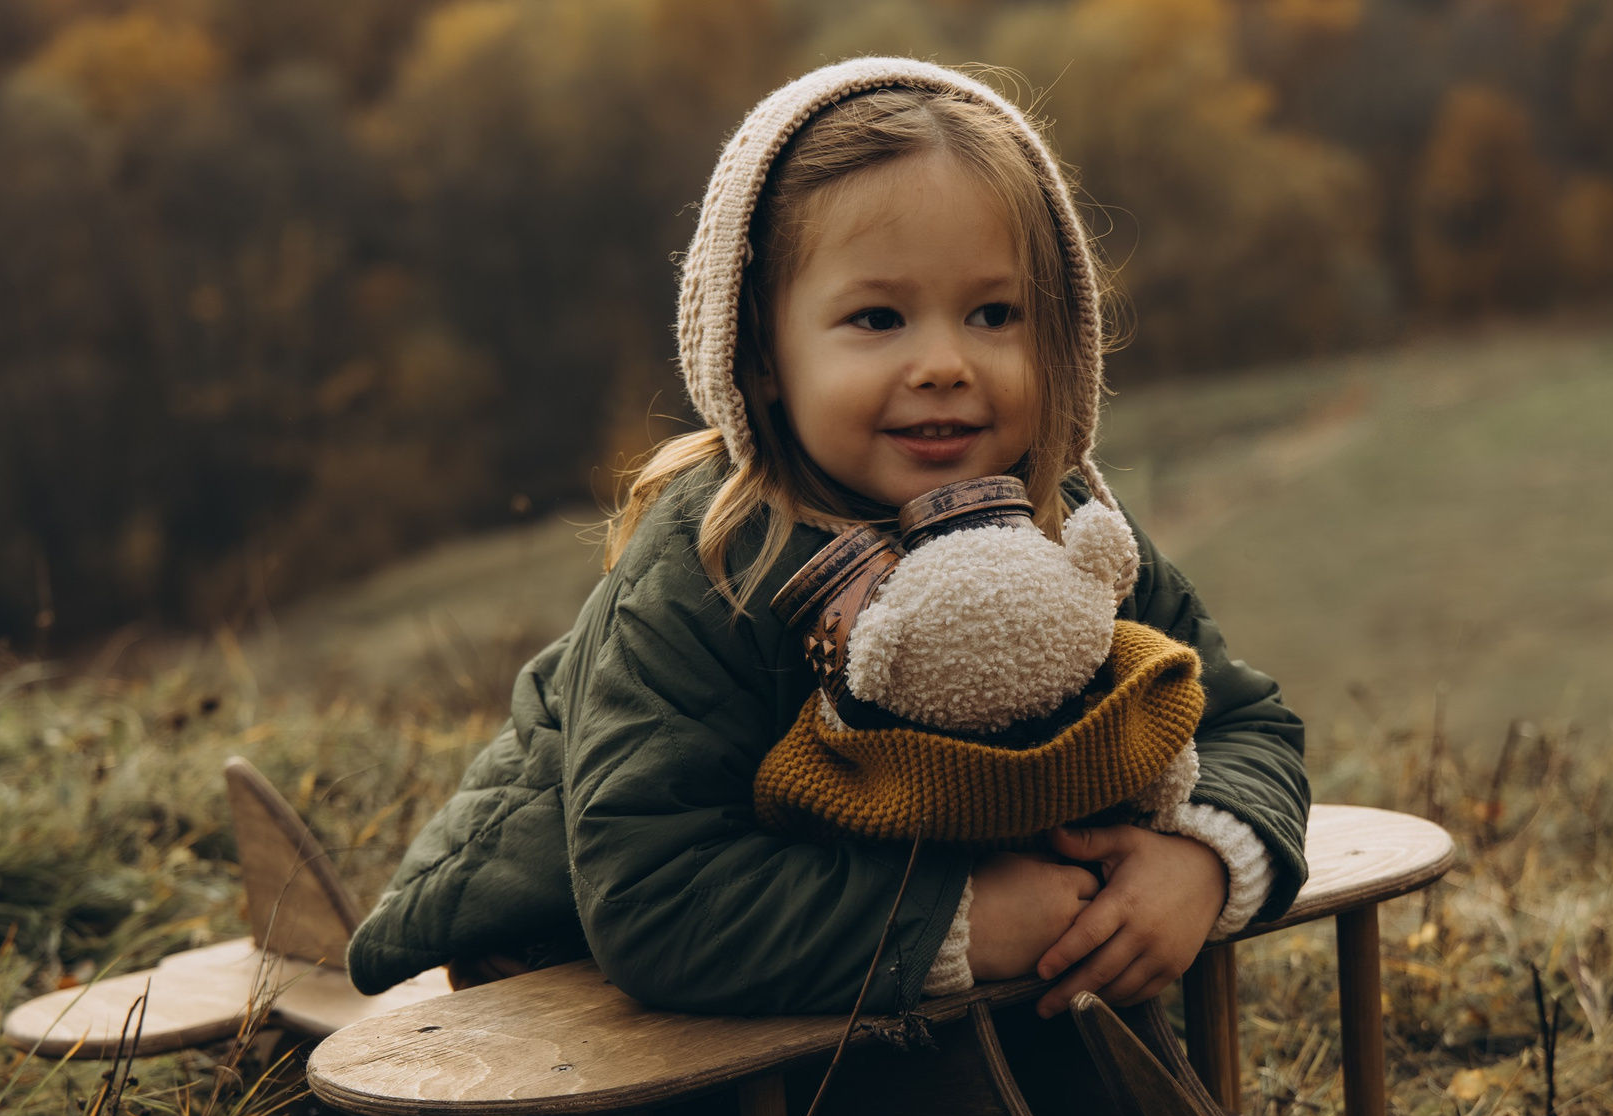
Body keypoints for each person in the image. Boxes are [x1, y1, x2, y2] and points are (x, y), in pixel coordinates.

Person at [347, 57, 1309, 1024]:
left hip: (847, 978)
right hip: (557, 942)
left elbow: (1241, 722)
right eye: (877, 318)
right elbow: (654, 896)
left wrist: (1198, 861)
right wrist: (954, 920)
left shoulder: (1064, 525)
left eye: (994, 313)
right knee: (526, 1097)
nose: (945, 363)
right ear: (761, 354)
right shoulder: (713, 563)